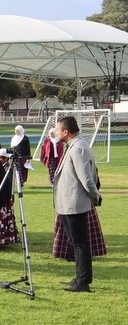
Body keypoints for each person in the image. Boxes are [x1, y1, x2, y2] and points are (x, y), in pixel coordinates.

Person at [53, 116, 102, 292]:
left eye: (58, 129)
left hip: (75, 203)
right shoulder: (73, 146)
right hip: (67, 203)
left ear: (65, 132)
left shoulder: (79, 147)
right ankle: (79, 277)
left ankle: (83, 282)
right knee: (75, 243)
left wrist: (96, 197)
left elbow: (87, 179)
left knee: (80, 243)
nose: (56, 132)